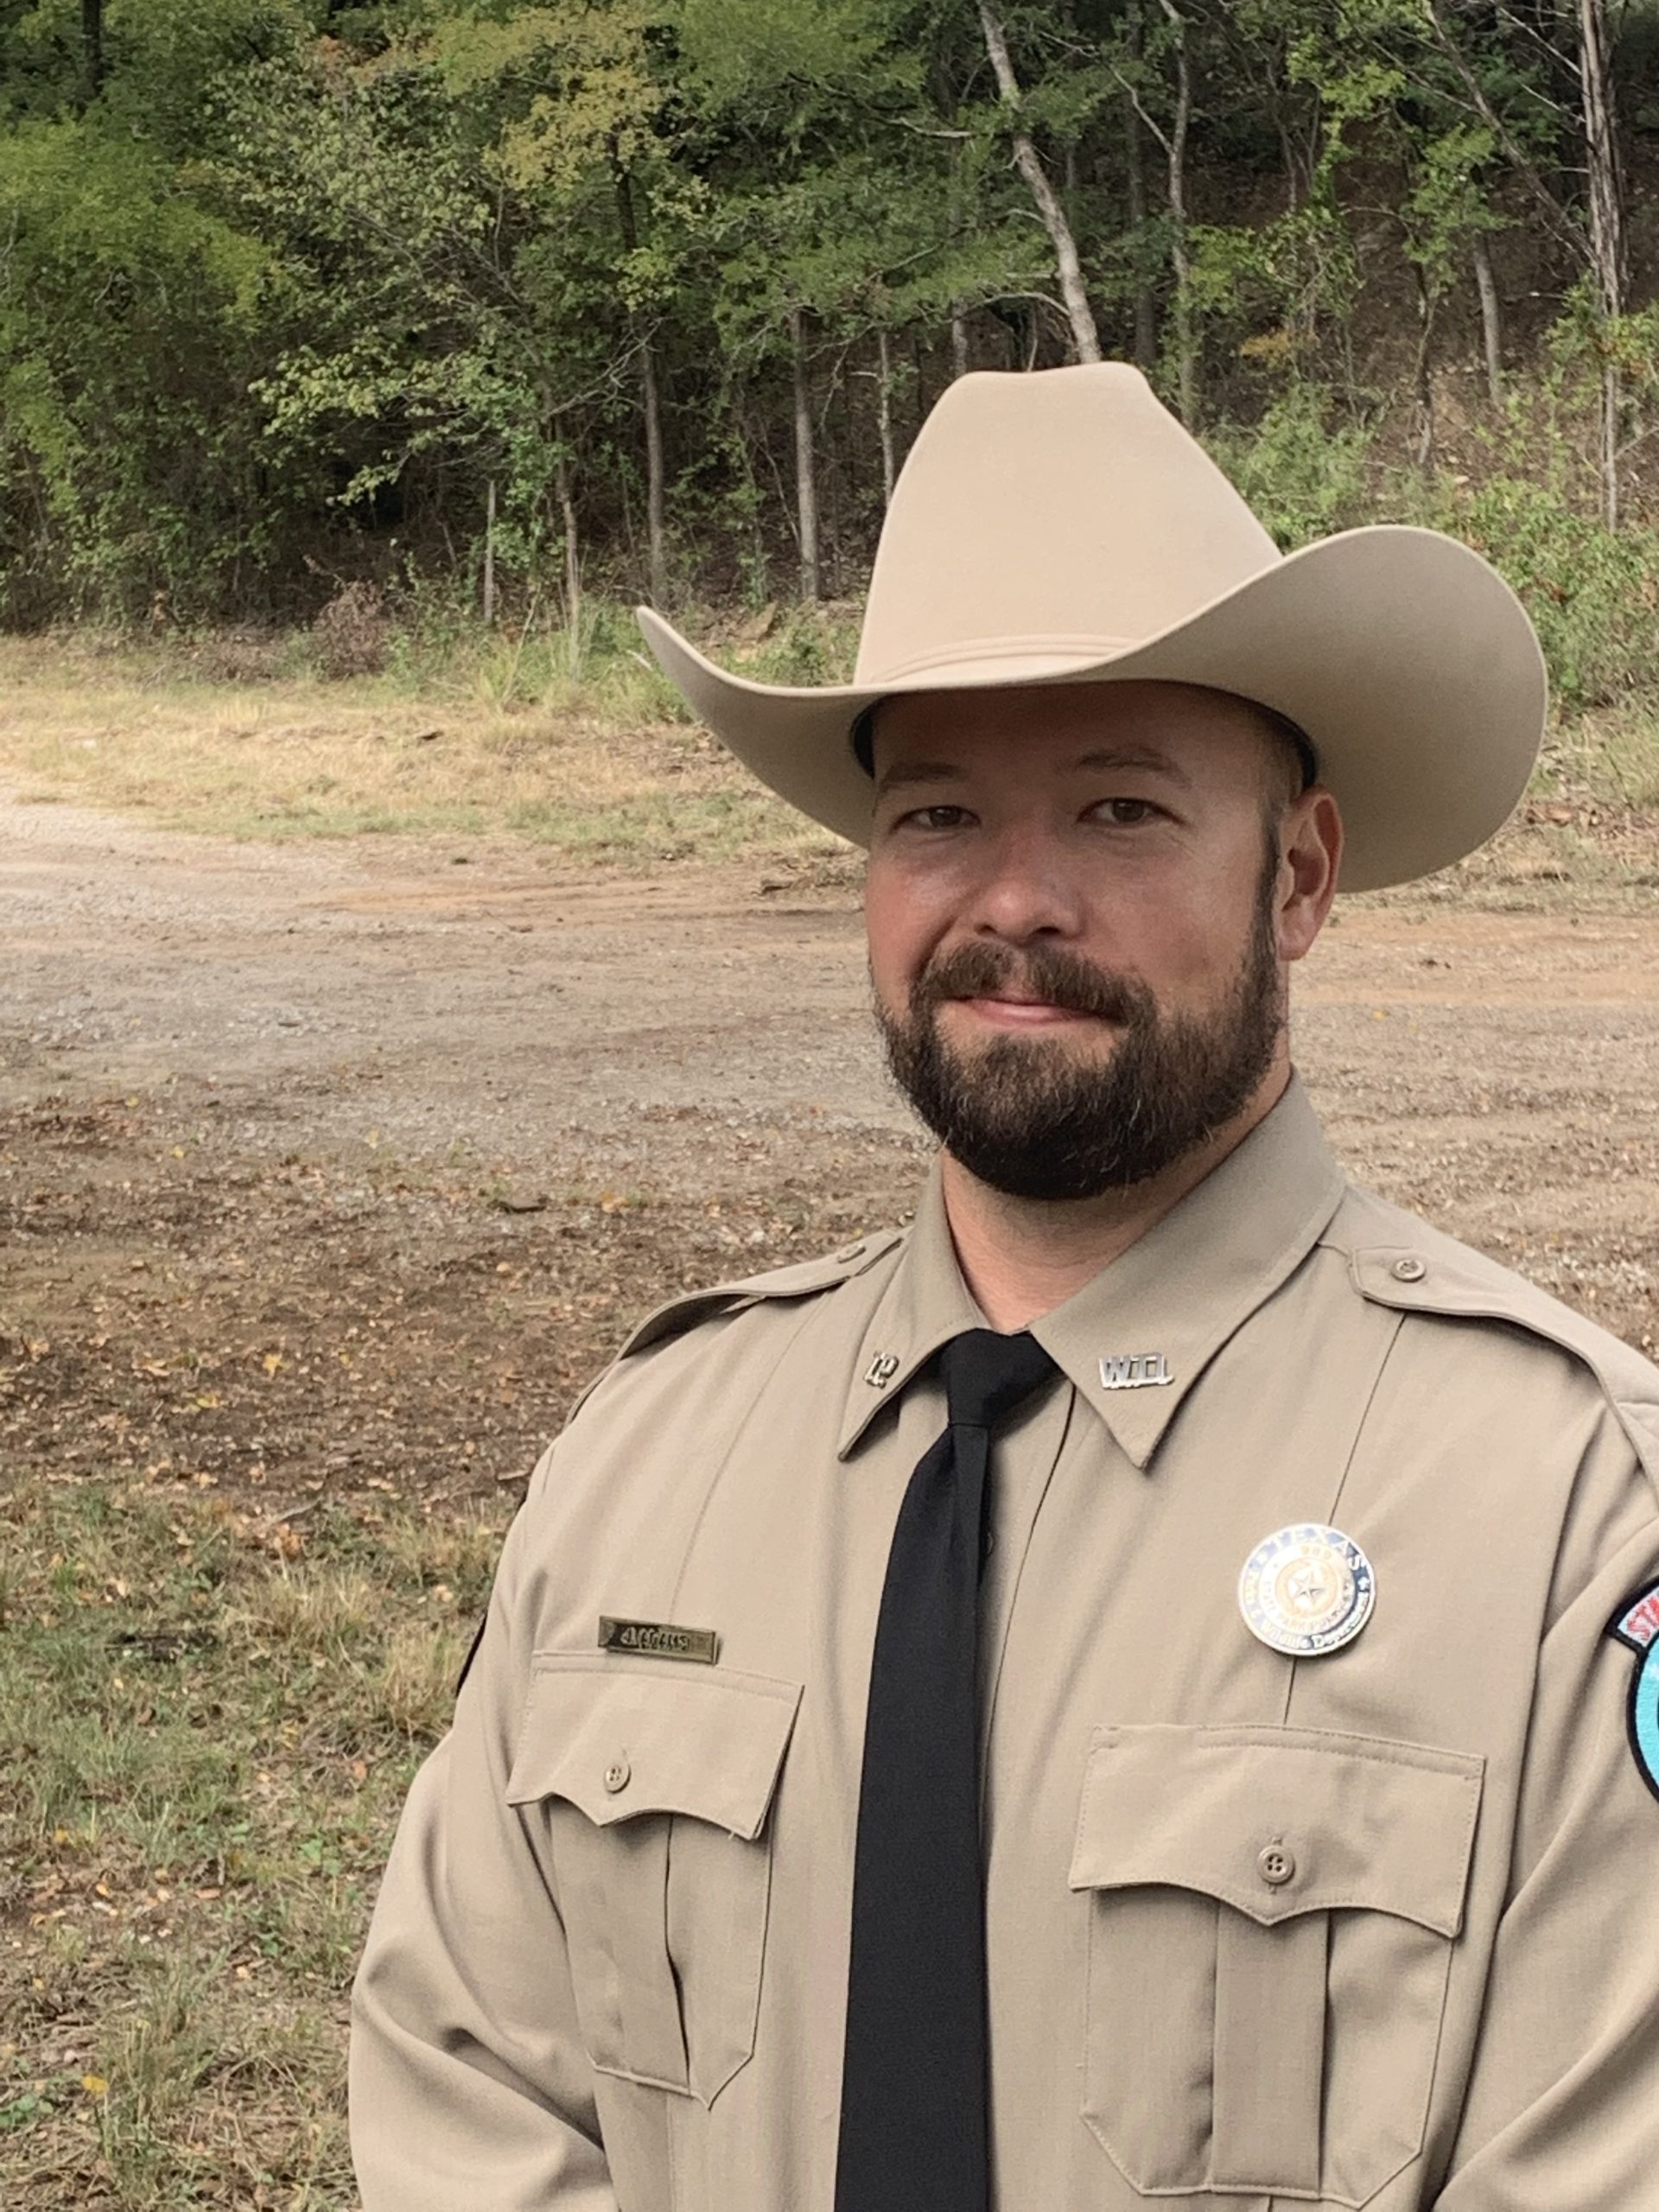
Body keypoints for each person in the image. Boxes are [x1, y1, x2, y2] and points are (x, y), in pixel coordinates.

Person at [348, 365, 1659, 2212]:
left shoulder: (1566, 1515)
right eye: (940, 812)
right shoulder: (648, 1463)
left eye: (1121, 810)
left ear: (1296, 874)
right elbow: (469, 2082)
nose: (1016, 899)